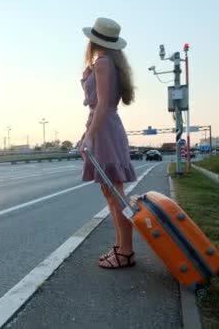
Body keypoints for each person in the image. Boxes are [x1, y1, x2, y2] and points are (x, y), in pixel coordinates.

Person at [79, 17, 137, 269]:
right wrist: (86, 132)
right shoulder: (109, 62)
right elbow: (101, 107)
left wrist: (91, 134)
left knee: (115, 194)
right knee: (111, 192)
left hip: (105, 131)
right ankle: (120, 248)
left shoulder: (102, 63)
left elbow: (102, 104)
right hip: (106, 127)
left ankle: (126, 252)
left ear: (93, 39)